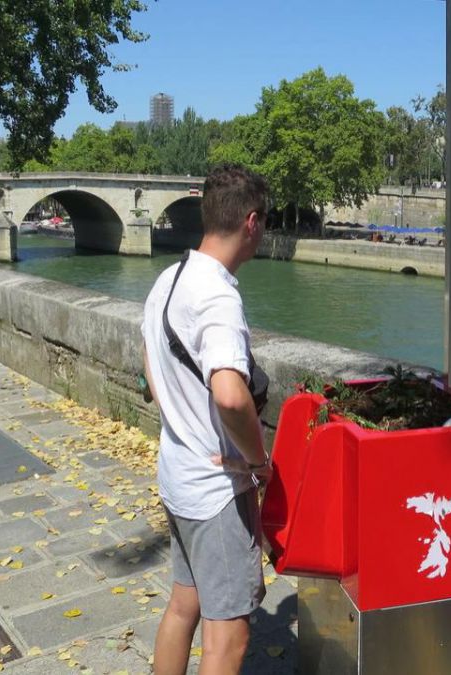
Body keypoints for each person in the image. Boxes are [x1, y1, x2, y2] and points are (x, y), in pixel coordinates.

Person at [143, 164, 271, 675]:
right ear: (252, 222)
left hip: (177, 474)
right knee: (228, 638)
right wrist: (257, 462)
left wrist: (182, 420)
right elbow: (231, 397)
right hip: (215, 491)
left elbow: (151, 366)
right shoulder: (217, 296)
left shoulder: (169, 279)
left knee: (183, 606)